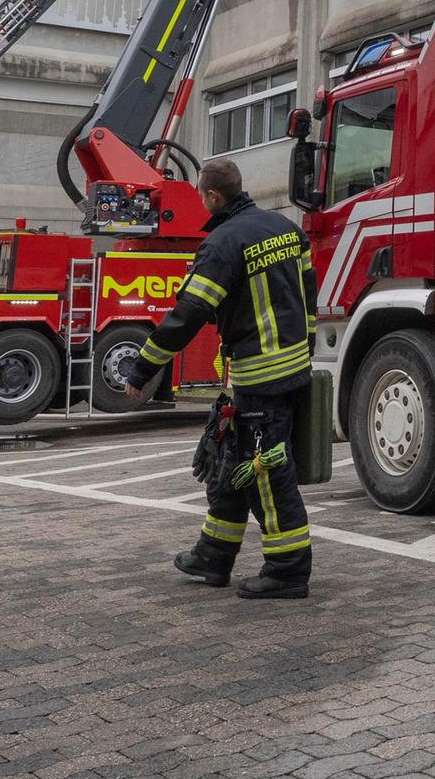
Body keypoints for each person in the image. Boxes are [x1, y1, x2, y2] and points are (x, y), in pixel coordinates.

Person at [123, 157, 316, 600]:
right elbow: (308, 293)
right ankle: (214, 554)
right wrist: (303, 349)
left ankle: (288, 570)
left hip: (259, 376)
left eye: (200, 195)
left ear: (212, 196)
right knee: (230, 462)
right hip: (287, 370)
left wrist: (144, 367)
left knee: (267, 473)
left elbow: (189, 313)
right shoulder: (288, 229)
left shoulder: (223, 243)